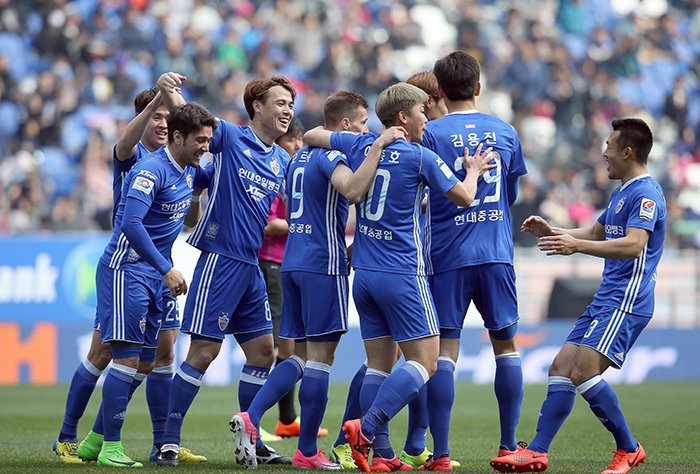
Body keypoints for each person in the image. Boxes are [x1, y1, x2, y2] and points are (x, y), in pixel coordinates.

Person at [305, 82, 495, 473]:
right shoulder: (419, 156)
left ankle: (381, 456)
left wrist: (374, 143)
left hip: (365, 275)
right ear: (404, 118)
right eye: (423, 112)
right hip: (403, 273)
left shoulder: (360, 145)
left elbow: (311, 134)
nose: (428, 118)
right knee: (425, 362)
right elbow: (463, 197)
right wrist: (473, 171)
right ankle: (368, 428)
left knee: (378, 365)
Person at [231, 90, 405, 470]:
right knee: (322, 361)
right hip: (322, 265)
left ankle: (251, 417)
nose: (365, 129)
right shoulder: (331, 156)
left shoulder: (297, 159)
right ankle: (307, 450)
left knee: (298, 356)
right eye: (361, 123)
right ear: (344, 124)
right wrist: (377, 148)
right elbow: (354, 189)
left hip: (291, 263)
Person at [491, 118, 664, 474]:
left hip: (627, 299)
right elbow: (598, 231)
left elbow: (634, 245)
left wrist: (577, 247)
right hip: (607, 296)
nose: (604, 153)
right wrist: (553, 231)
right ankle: (537, 451)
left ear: (627, 151)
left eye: (609, 146)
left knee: (583, 371)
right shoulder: (622, 191)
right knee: (560, 368)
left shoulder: (646, 193)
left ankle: (629, 449)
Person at [53, 88, 207, 465]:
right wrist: (159, 104)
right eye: (156, 117)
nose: (163, 122)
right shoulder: (138, 160)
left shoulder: (184, 167)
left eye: (167, 118)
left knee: (159, 354)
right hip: (129, 268)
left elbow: (185, 211)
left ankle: (158, 443)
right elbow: (129, 220)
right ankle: (78, 439)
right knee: (109, 354)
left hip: (156, 272)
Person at [154, 72, 296, 467]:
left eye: (291, 105)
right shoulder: (231, 138)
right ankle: (168, 441)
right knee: (203, 352)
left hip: (251, 264)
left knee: (264, 351)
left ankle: (251, 437)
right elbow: (191, 119)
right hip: (220, 259)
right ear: (257, 107)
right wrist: (168, 90)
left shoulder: (282, 159)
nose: (287, 111)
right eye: (281, 103)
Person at [420, 50, 528, 471]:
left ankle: (442, 454)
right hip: (496, 253)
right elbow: (510, 195)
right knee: (507, 347)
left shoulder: (431, 134)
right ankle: (507, 446)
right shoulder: (504, 131)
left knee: (445, 352)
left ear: (441, 91)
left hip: (447, 255)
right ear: (478, 87)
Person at [256, 118, 328, 442]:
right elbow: (268, 223)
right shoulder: (275, 175)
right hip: (271, 264)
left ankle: (287, 419)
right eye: (291, 141)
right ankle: (254, 420)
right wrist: (302, 222)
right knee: (276, 348)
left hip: (287, 264)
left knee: (291, 347)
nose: (297, 147)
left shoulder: (293, 173)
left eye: (300, 140)